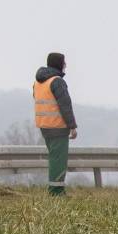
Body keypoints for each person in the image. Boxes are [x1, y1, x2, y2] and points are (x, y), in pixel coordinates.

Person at [34, 52, 77, 195]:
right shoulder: (57, 81)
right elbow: (65, 105)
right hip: (58, 126)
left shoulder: (38, 81)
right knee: (59, 160)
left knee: (54, 158)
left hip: (44, 126)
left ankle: (56, 189)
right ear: (59, 64)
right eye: (64, 62)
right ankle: (56, 191)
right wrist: (72, 126)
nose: (65, 65)